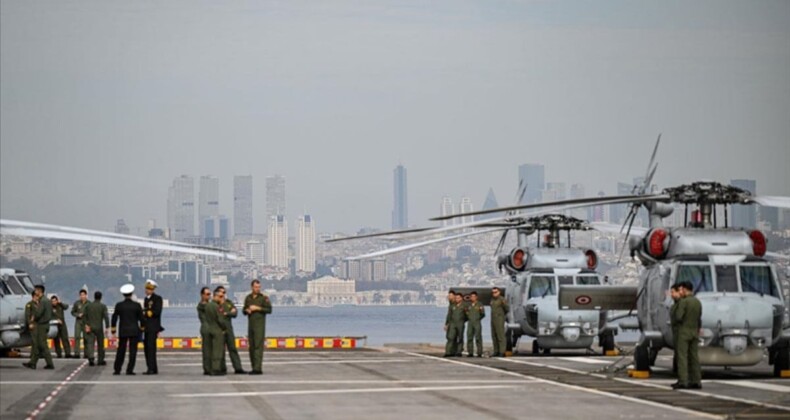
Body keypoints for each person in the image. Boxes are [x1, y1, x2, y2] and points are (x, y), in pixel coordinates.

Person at [672, 281, 702, 390]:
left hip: (684, 332)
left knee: (682, 357)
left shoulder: (683, 302)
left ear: (684, 289)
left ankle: (683, 381)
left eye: (681, 290)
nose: (680, 292)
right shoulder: (697, 302)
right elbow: (699, 318)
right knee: (694, 357)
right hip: (694, 332)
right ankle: (696, 381)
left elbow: (678, 317)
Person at [112, 284, 143, 375]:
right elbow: (141, 318)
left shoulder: (119, 305)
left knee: (121, 350)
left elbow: (114, 318)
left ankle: (117, 369)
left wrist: (113, 330)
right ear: (132, 293)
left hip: (123, 330)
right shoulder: (137, 305)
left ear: (123, 294)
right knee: (133, 351)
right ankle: (130, 369)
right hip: (134, 330)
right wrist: (142, 329)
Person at [243, 279, 272, 375]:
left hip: (259, 325)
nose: (257, 289)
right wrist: (247, 310)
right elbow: (243, 310)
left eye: (259, 287)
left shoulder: (263, 298)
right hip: (251, 325)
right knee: (251, 346)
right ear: (252, 287)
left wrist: (258, 308)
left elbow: (269, 310)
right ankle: (253, 366)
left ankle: (258, 368)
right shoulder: (248, 298)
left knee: (258, 346)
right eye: (256, 287)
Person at [23, 285, 54, 370]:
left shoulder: (43, 301)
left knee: (42, 345)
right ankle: (33, 363)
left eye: (36, 290)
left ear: (39, 291)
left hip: (41, 325)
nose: (35, 292)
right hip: (45, 324)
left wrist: (33, 317)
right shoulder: (47, 300)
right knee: (38, 344)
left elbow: (39, 312)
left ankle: (49, 363)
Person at [218, 286, 245, 374]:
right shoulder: (215, 304)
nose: (223, 294)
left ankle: (238, 368)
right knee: (220, 350)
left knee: (232, 349)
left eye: (224, 292)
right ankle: (222, 368)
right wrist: (229, 313)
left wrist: (227, 313)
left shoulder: (228, 303)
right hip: (219, 329)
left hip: (229, 329)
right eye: (221, 292)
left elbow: (235, 313)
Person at [142, 279, 163, 375]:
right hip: (147, 326)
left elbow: (157, 311)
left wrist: (147, 312)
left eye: (149, 288)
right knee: (147, 347)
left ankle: (151, 368)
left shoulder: (157, 299)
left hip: (153, 326)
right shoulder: (146, 299)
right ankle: (152, 367)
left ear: (153, 289)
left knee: (151, 348)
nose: (147, 290)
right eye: (147, 288)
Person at [204, 287, 227, 376]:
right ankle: (216, 369)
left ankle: (209, 368)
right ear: (216, 296)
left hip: (209, 328)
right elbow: (220, 319)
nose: (221, 298)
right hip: (217, 330)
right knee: (217, 351)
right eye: (220, 296)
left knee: (210, 350)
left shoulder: (208, 306)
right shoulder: (217, 307)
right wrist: (224, 328)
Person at [84, 291, 110, 366]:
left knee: (90, 343)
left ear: (94, 296)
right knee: (100, 344)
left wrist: (87, 325)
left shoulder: (88, 306)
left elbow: (85, 316)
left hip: (90, 327)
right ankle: (100, 360)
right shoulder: (103, 306)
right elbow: (106, 317)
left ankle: (91, 358)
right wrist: (107, 327)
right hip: (99, 327)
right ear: (101, 297)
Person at [443, 292, 467, 357]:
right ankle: (448, 352)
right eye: (456, 298)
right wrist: (446, 324)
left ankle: (459, 352)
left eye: (458, 298)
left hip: (460, 323)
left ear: (461, 298)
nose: (457, 299)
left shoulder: (465, 305)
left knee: (460, 338)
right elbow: (449, 315)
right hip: (453, 323)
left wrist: (463, 321)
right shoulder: (452, 306)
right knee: (450, 337)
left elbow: (467, 315)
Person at [490, 287, 510, 357]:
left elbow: (507, 309)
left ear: (499, 292)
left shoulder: (502, 299)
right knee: (494, 336)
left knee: (500, 335)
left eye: (495, 292)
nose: (494, 294)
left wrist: (501, 315)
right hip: (493, 319)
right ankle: (496, 351)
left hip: (499, 319)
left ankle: (502, 351)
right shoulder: (492, 300)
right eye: (493, 292)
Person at [196, 287, 212, 375]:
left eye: (210, 294)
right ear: (202, 295)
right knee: (206, 350)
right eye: (207, 294)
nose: (209, 296)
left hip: (212, 327)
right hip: (206, 327)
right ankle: (207, 368)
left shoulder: (210, 304)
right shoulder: (201, 305)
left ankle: (212, 367)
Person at [465, 291, 485, 357]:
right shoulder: (469, 305)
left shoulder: (479, 305)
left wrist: (478, 318)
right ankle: (470, 352)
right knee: (469, 337)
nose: (472, 298)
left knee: (478, 337)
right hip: (470, 323)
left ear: (476, 297)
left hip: (477, 322)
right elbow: (466, 313)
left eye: (474, 296)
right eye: (471, 297)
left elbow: (483, 314)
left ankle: (479, 352)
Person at [71, 289, 89, 359]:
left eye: (83, 295)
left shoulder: (89, 303)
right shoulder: (77, 303)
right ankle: (77, 353)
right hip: (78, 322)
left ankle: (86, 353)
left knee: (86, 338)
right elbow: (72, 312)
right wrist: (78, 315)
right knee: (77, 337)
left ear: (86, 295)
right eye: (81, 295)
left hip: (86, 322)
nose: (82, 296)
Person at [669, 284, 682, 373]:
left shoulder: (681, 304)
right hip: (678, 332)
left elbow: (679, 317)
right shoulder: (677, 304)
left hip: (680, 332)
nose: (671, 295)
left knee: (681, 355)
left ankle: (683, 379)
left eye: (673, 292)